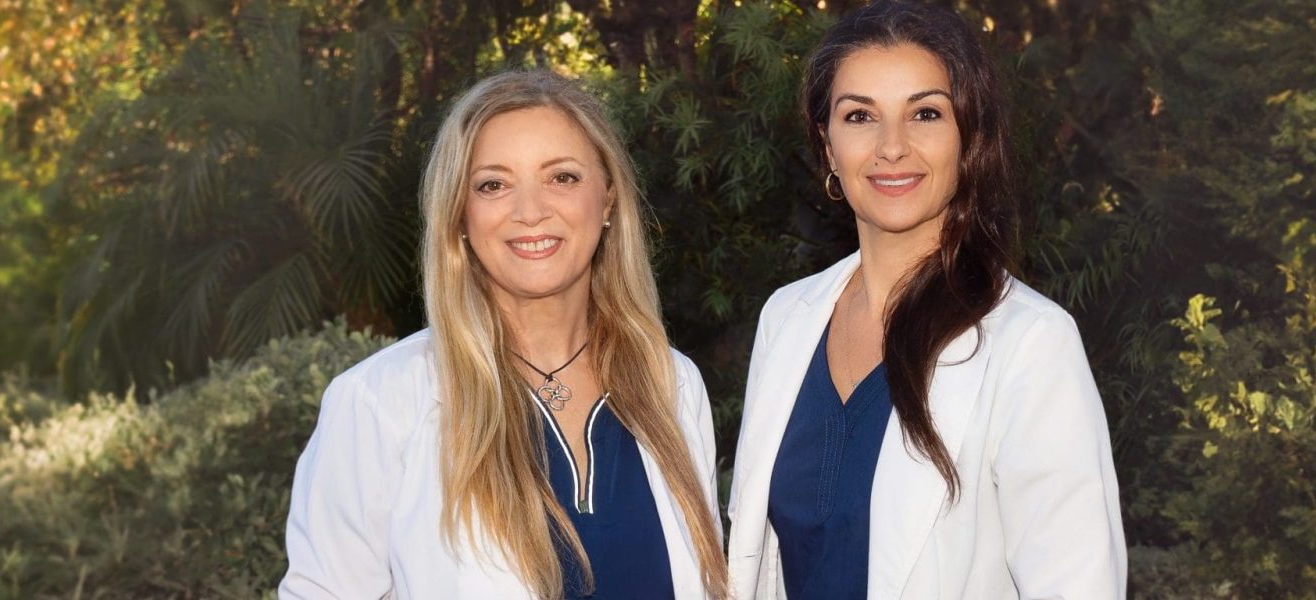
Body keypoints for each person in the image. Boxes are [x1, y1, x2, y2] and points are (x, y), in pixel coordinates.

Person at [724, 2, 1128, 598]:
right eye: (860, 116)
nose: (892, 147)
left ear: (968, 140)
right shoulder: (787, 318)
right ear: (827, 145)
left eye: (926, 113)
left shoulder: (1030, 343)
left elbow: (1077, 585)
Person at [280, 70, 727, 599]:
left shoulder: (671, 381)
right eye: (493, 184)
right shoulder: (382, 401)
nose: (530, 211)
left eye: (562, 177)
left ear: (607, 199)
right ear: (460, 217)